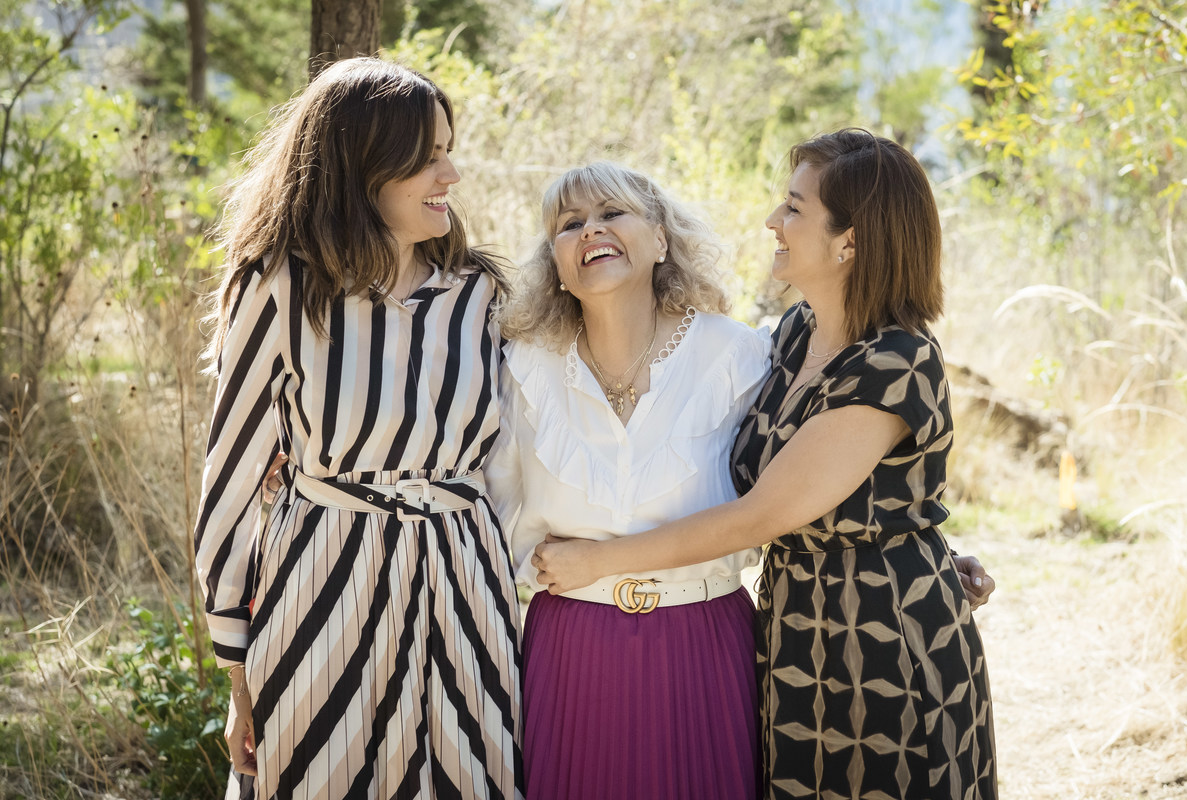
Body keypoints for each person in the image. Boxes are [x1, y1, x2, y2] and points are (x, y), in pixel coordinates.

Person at [533, 130, 998, 799]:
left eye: (794, 208)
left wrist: (601, 561)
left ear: (852, 241)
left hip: (878, 642)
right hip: (793, 631)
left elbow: (761, 514)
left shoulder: (894, 361)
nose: (772, 222)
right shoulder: (794, 335)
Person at [193, 57, 523, 800]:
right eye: (428, 158)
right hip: (321, 585)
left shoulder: (483, 295)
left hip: (466, 583)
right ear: (364, 166)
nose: (452, 174)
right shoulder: (279, 283)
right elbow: (233, 476)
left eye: (449, 149)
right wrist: (237, 669)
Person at [484, 162, 770, 799]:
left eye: (612, 213)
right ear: (555, 260)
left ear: (662, 240)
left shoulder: (737, 355)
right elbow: (487, 509)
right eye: (569, 224)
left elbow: (803, 481)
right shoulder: (521, 369)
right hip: (571, 652)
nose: (591, 231)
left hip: (704, 643)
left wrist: (929, 552)